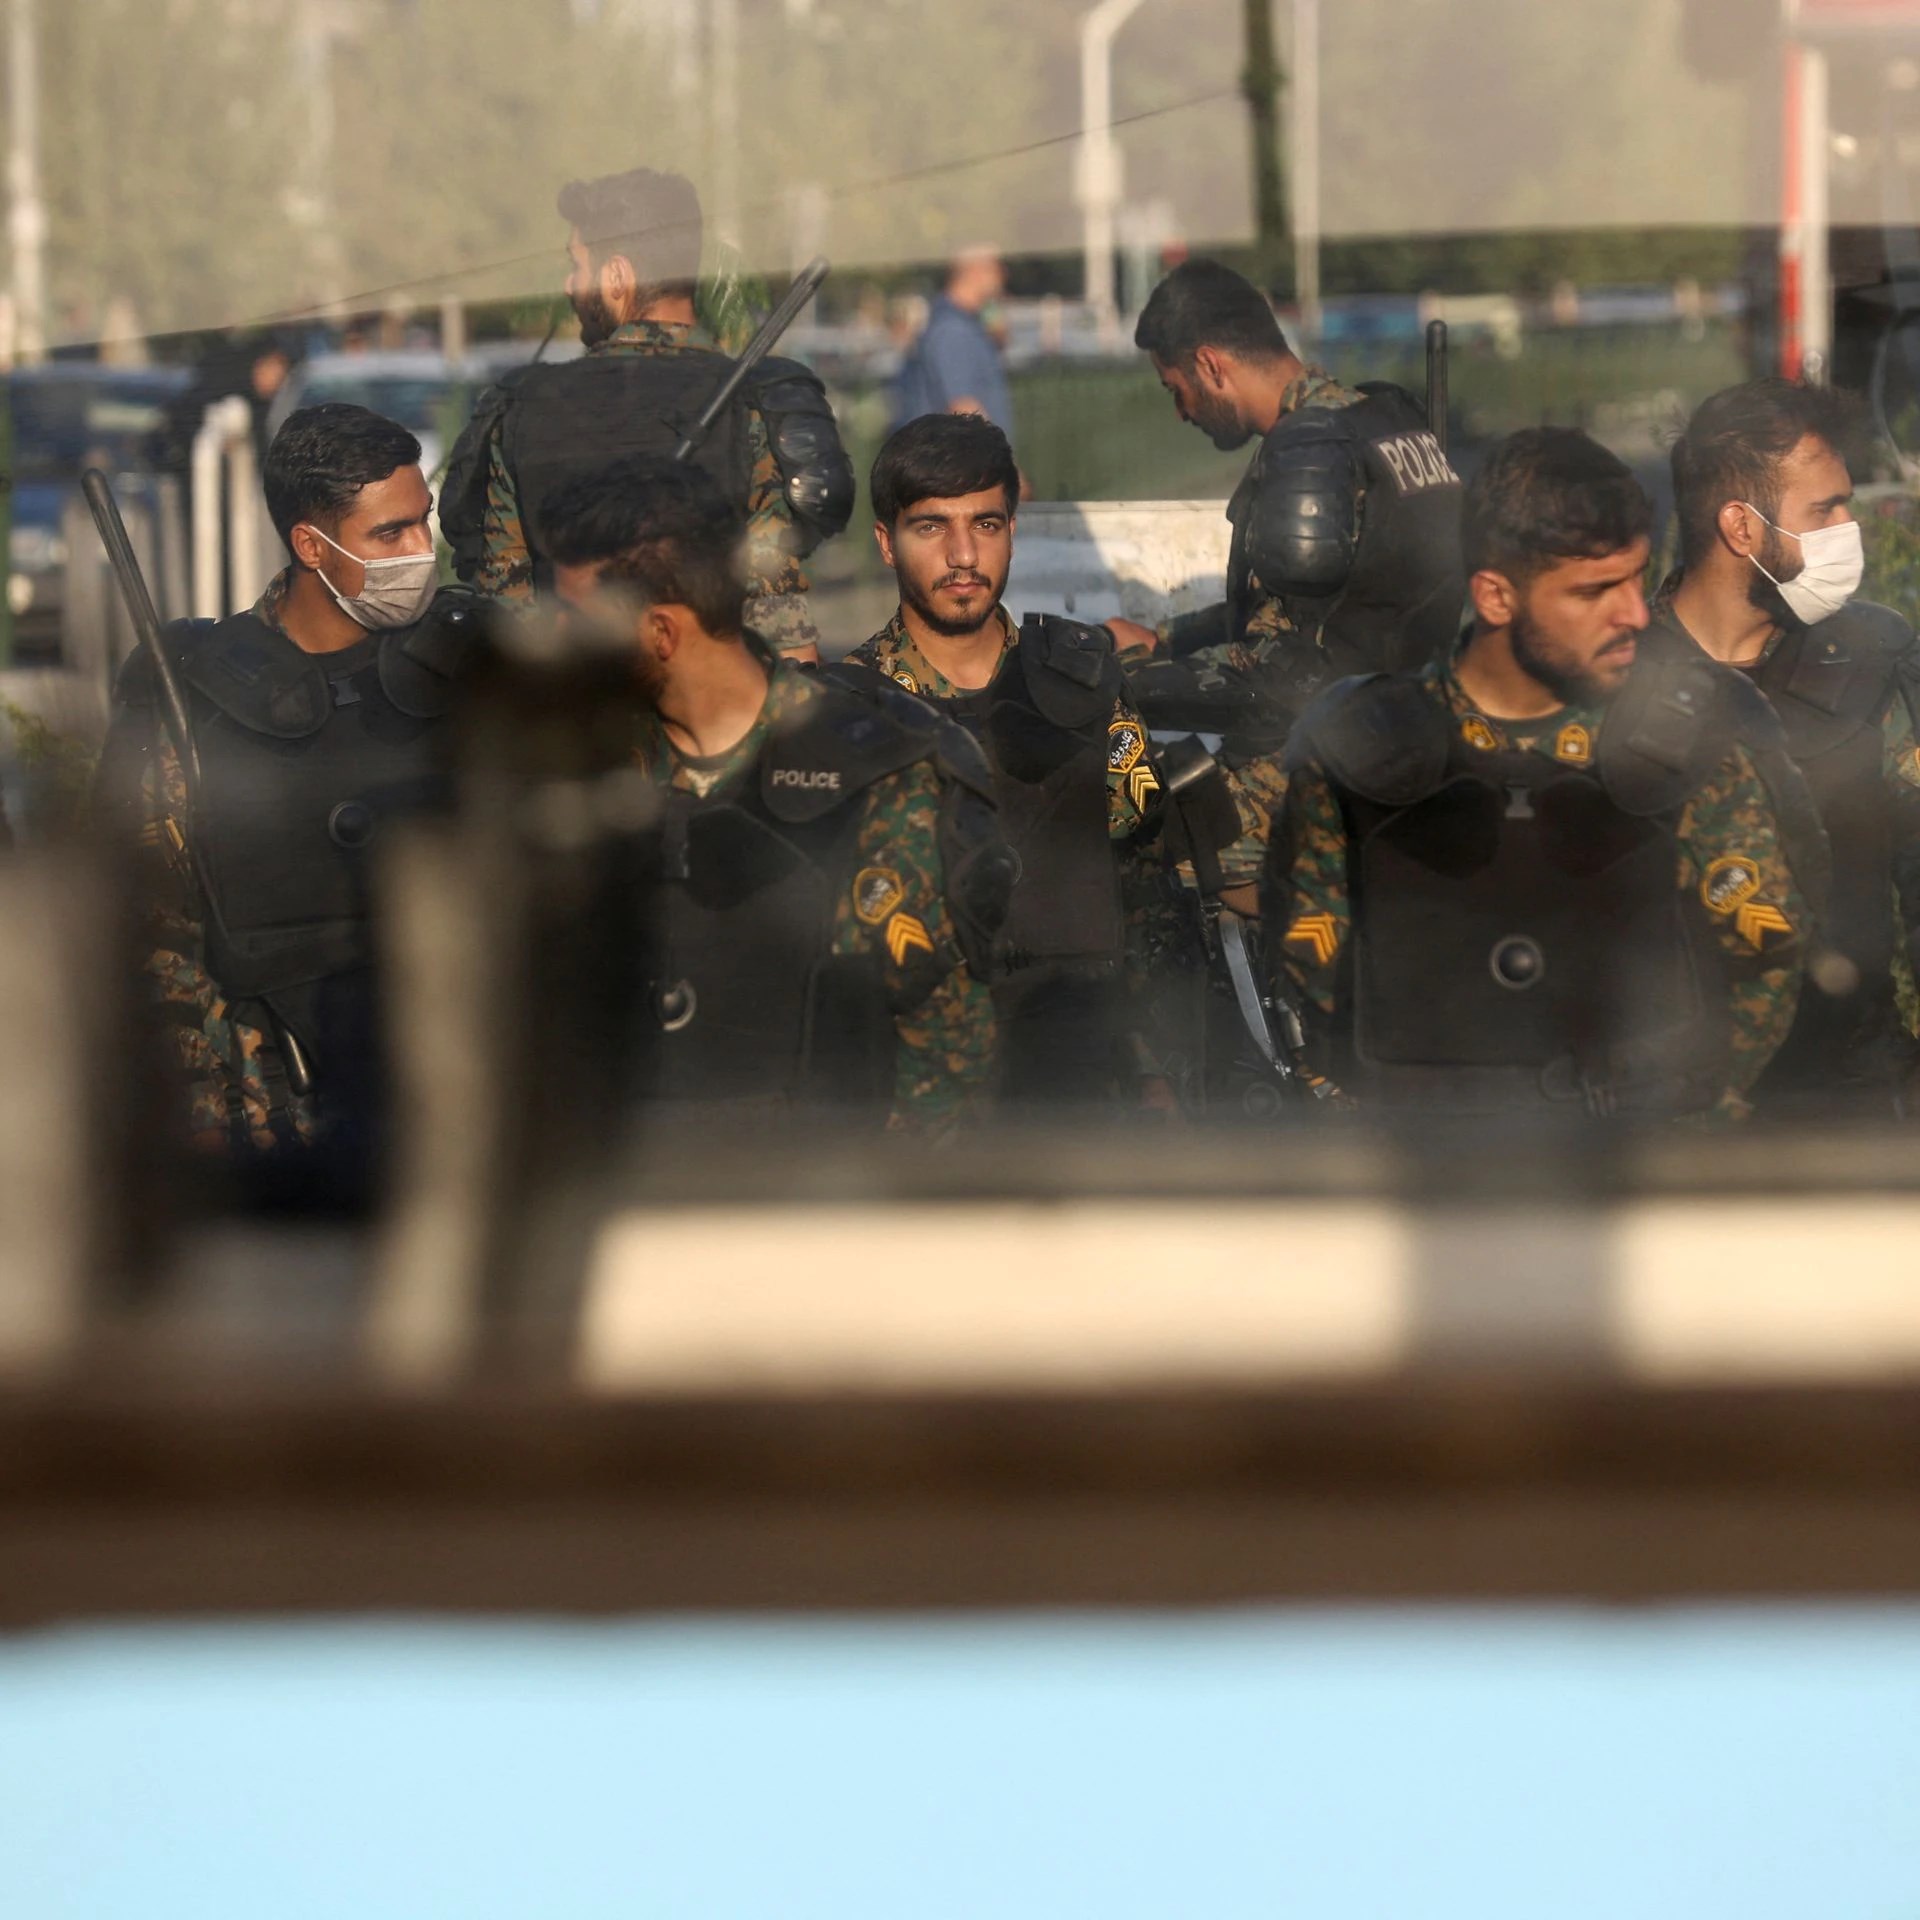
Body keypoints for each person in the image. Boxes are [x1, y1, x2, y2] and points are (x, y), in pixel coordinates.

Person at [1265, 427, 1826, 1123]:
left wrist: (1686, 1128)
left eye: (1637, 579)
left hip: (1643, 1164)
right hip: (1435, 1170)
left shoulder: (1695, 740)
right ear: (1496, 597)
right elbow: (1312, 965)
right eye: (1594, 592)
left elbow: (1764, 955)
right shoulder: (1357, 749)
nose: (1632, 613)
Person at [541, 454, 1009, 1135]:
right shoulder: (574, 773)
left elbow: (946, 1059)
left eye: (573, 616)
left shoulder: (885, 778)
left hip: (814, 1212)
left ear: (659, 634)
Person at [93, 403, 483, 1173]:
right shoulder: (191, 693)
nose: (418, 552)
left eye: (421, 523)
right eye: (389, 534)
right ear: (311, 544)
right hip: (272, 1108)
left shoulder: (474, 660)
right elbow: (142, 920)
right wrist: (201, 1108)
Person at [845, 412, 1167, 1108]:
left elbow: (1140, 886)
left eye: (985, 525)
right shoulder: (848, 713)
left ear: (1012, 532)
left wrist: (1151, 1068)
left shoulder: (1083, 687)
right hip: (912, 1094)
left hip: (1082, 1077)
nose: (963, 555)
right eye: (931, 526)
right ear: (886, 543)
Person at [441, 166, 853, 664]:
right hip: (713, 723)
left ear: (617, 276)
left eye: (578, 265)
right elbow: (779, 629)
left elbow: (509, 618)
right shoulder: (753, 406)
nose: (571, 286)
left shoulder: (523, 408)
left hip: (572, 718)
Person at [1660, 376, 1920, 1113]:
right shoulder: (1618, 681)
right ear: (1740, 529)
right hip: (1680, 1119)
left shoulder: (1871, 661)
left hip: (1855, 1090)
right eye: (1825, 509)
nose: (1850, 527)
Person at [1118, 259, 1464, 716]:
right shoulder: (1382, 420)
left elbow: (1275, 672)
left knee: (1124, 781)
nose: (1181, 412)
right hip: (1406, 722)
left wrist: (1120, 675)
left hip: (1325, 751)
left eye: (1174, 389)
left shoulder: (1310, 454)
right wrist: (1163, 640)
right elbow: (1314, 613)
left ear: (1210, 365)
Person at [888, 246, 1013, 436]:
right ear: (975, 270)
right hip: (959, 462)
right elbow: (965, 411)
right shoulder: (952, 329)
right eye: (996, 267)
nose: (1003, 275)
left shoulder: (965, 323)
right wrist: (1003, 464)